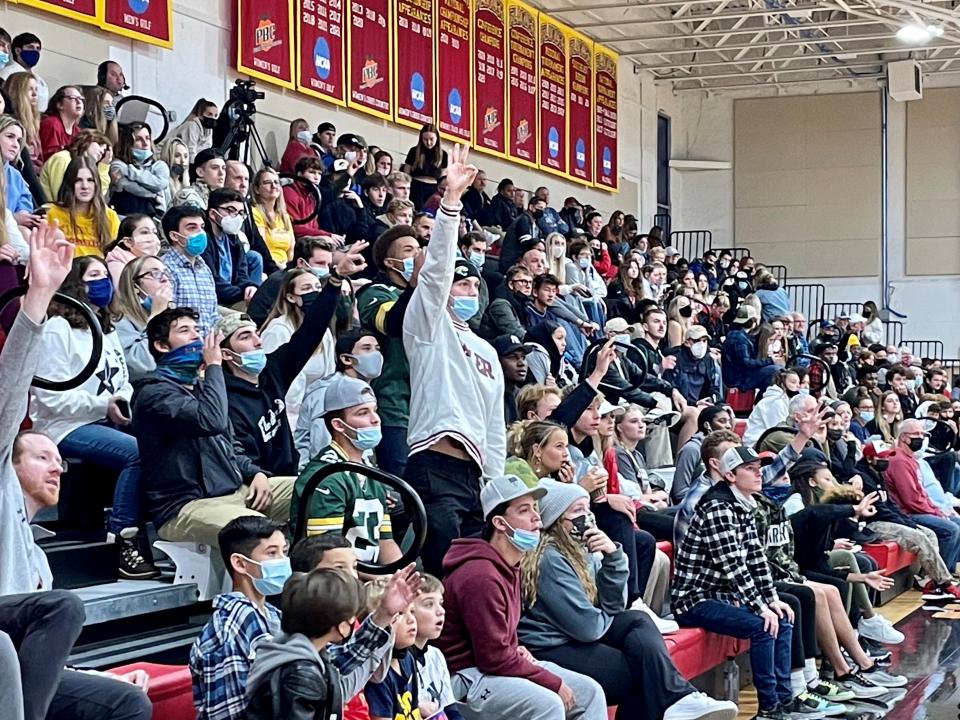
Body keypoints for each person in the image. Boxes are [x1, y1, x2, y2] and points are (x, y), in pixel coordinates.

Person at [0, 220, 154, 718]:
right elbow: (11, 392)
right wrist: (38, 298)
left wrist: (95, 677)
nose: (59, 467)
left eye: (58, 458)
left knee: (127, 701)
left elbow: (38, 663)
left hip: (11, 669)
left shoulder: (36, 558)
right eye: (42, 456)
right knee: (58, 608)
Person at [518, 479, 738, 720]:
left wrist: (613, 558)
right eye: (578, 511)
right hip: (549, 644)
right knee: (641, 675)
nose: (588, 517)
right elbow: (588, 628)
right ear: (557, 520)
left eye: (588, 509)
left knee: (637, 620)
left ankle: (680, 698)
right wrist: (606, 612)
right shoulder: (549, 559)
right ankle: (676, 699)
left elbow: (616, 605)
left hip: (578, 631)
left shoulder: (581, 548)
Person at [403, 146, 506, 577]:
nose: (463, 291)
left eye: (470, 286)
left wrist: (495, 489)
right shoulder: (427, 328)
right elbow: (435, 271)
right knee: (447, 572)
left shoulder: (487, 350)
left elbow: (495, 427)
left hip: (474, 476)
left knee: (480, 576)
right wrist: (450, 204)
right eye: (457, 284)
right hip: (433, 465)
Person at [437, 474, 607, 719]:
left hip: (492, 666)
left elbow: (500, 642)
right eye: (524, 510)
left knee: (590, 692)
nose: (536, 517)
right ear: (499, 523)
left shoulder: (508, 563)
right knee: (548, 703)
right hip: (465, 677)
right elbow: (492, 658)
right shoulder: (479, 575)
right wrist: (552, 681)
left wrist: (517, 649)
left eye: (535, 509)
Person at [28, 254, 156, 578]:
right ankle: (122, 538)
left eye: (105, 276)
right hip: (62, 427)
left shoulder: (107, 329)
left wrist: (122, 401)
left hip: (105, 420)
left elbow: (122, 381)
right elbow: (49, 397)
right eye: (93, 276)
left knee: (166, 444)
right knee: (138, 454)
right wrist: (103, 406)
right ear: (76, 284)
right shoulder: (58, 329)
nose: (103, 283)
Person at [217, 248, 363, 483]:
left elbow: (311, 329)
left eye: (255, 334)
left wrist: (335, 279)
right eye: (244, 337)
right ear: (225, 353)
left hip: (287, 474)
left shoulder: (273, 370)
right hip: (254, 482)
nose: (257, 341)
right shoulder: (223, 395)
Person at [672, 446, 795, 720]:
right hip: (695, 599)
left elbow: (756, 559)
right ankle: (769, 708)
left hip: (721, 596)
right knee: (764, 626)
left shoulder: (744, 504)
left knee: (783, 618)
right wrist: (760, 607)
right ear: (729, 474)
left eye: (758, 468)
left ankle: (786, 699)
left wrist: (772, 599)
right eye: (749, 469)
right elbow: (733, 566)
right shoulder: (718, 507)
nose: (758, 474)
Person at [245, 565, 423, 720]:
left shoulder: (298, 655)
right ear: (343, 627)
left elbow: (349, 657)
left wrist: (385, 612)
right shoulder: (300, 675)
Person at [291, 374, 401, 565]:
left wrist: (404, 577)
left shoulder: (369, 471)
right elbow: (328, 559)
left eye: (375, 411)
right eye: (362, 413)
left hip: (367, 575)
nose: (375, 419)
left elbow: (386, 541)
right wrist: (384, 581)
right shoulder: (327, 477)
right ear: (339, 425)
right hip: (334, 581)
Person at [190, 517, 287, 720]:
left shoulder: (274, 615)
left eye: (284, 552)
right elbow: (228, 713)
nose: (282, 561)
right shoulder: (229, 626)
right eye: (272, 553)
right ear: (240, 563)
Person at [856, 437, 960, 598]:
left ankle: (928, 581)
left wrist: (907, 521)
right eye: (881, 457)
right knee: (918, 537)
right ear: (869, 458)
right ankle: (945, 583)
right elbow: (881, 511)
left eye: (887, 457)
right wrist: (906, 523)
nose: (885, 460)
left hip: (888, 519)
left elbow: (891, 505)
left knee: (929, 533)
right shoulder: (863, 478)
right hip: (871, 523)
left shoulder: (878, 474)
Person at [357, 225, 422, 478]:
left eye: (419, 250)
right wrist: (415, 284)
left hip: (428, 406)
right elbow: (392, 323)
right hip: (394, 407)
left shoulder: (433, 299)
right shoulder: (374, 292)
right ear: (391, 263)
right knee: (403, 486)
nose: (417, 256)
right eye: (409, 251)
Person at [295, 329, 384, 468]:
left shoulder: (364, 391)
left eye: (377, 349)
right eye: (367, 349)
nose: (376, 355)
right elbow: (322, 446)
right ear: (346, 359)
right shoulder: (326, 393)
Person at [258, 268, 336, 427]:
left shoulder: (324, 331)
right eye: (306, 288)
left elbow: (329, 377)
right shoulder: (278, 330)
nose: (314, 292)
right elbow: (272, 381)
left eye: (317, 288)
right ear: (291, 297)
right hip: (284, 415)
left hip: (315, 413)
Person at [884, 418, 960, 573]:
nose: (920, 438)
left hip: (917, 509)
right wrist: (936, 512)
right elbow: (911, 500)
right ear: (904, 437)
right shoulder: (898, 460)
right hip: (907, 514)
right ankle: (935, 578)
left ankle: (949, 571)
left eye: (922, 434)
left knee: (957, 522)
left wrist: (939, 509)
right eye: (916, 434)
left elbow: (922, 493)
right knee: (950, 529)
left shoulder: (910, 459)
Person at [161, 204, 219, 334]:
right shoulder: (164, 269)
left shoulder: (204, 269)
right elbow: (167, 317)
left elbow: (213, 315)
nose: (201, 233)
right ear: (174, 236)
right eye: (192, 228)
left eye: (202, 227)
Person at [46, 156, 119, 258]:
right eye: (78, 180)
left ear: (96, 184)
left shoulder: (109, 216)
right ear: (70, 184)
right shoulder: (53, 213)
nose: (85, 186)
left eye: (90, 180)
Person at [114, 254, 171, 380]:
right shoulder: (120, 320)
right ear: (135, 287)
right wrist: (156, 316)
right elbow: (140, 366)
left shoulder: (172, 318)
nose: (165, 279)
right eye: (154, 274)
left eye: (166, 273)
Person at [202, 188, 259, 308]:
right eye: (230, 210)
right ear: (212, 214)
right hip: (215, 301)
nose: (236, 217)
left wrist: (249, 286)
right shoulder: (204, 241)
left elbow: (242, 275)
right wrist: (242, 293)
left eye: (240, 213)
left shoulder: (235, 240)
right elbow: (213, 283)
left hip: (233, 297)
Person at [670, 405, 733, 505]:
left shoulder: (725, 449)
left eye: (729, 421)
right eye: (722, 421)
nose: (728, 426)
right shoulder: (691, 449)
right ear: (707, 425)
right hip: (692, 506)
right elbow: (680, 492)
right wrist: (712, 498)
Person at [109, 122, 169, 217]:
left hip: (153, 217)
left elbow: (158, 184)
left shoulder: (160, 166)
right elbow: (122, 184)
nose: (145, 144)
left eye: (147, 138)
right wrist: (153, 195)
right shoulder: (117, 164)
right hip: (123, 215)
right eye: (138, 139)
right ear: (128, 143)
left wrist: (130, 171)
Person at [722, 304, 781, 392]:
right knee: (775, 370)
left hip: (736, 377)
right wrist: (770, 360)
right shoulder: (740, 338)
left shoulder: (734, 334)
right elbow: (746, 363)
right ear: (753, 321)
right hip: (739, 380)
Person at [743, 367, 803, 448]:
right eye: (793, 382)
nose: (798, 386)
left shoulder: (785, 400)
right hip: (756, 444)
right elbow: (779, 431)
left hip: (770, 439)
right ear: (782, 384)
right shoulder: (775, 402)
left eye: (799, 383)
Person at [663, 325, 718, 406]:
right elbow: (671, 389)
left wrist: (712, 400)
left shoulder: (708, 360)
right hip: (681, 405)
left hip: (702, 404)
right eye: (697, 341)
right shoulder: (675, 359)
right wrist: (694, 403)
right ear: (686, 342)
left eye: (704, 341)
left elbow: (712, 387)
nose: (702, 344)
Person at [252, 167, 296, 266]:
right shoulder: (255, 212)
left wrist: (289, 268)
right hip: (268, 266)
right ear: (257, 189)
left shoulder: (284, 216)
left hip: (285, 266)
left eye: (276, 182)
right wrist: (278, 267)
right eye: (267, 182)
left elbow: (291, 249)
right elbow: (262, 247)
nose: (273, 186)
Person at [104, 213, 161, 285]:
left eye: (154, 232)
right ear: (128, 241)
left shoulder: (156, 264)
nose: (153, 237)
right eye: (145, 232)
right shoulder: (117, 267)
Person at [401, 123, 448, 209]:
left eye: (431, 139)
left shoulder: (443, 155)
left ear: (437, 138)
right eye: (425, 139)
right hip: (416, 187)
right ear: (421, 139)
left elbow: (443, 178)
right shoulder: (414, 151)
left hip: (433, 188)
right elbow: (406, 174)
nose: (428, 142)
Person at [0, 34, 49, 109]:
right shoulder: (7, 73)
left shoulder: (41, 81)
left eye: (38, 48)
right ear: (17, 51)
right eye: (30, 47)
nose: (35, 51)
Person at [283, 156, 327, 238]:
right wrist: (326, 235)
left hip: (308, 239)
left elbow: (314, 227)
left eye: (319, 173)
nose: (316, 177)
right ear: (300, 174)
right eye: (312, 172)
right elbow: (294, 228)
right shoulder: (289, 193)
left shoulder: (312, 197)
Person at [39, 85, 85, 161]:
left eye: (81, 99)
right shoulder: (51, 124)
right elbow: (52, 159)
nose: (79, 101)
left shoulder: (78, 131)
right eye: (73, 98)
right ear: (60, 105)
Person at [495, 334, 532, 424]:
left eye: (523, 357)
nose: (521, 363)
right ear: (496, 360)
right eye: (512, 357)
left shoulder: (524, 398)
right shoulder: (491, 396)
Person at [160, 138, 190, 208]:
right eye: (177, 156)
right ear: (167, 157)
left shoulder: (185, 185)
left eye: (185, 156)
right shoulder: (162, 184)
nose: (183, 160)